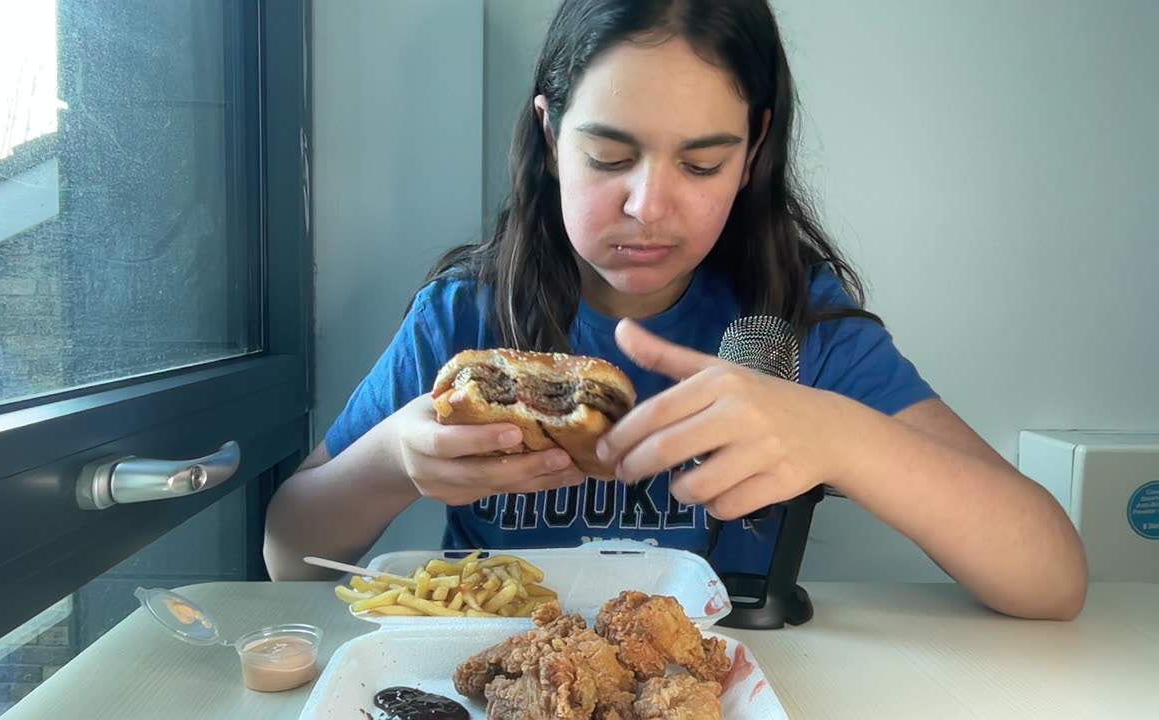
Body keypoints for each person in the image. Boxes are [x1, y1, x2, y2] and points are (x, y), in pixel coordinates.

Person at [264, 0, 1086, 620]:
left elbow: (1052, 579)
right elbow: (287, 558)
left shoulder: (792, 323)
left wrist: (837, 433)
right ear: (549, 139)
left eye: (700, 164)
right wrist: (392, 461)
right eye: (610, 156)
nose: (648, 207)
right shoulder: (464, 321)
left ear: (753, 150)